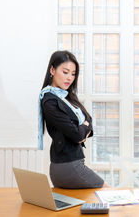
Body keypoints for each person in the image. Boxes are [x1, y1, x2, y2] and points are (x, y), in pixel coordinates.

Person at [38, 50, 108, 188]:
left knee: (80, 205)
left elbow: (89, 119)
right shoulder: (49, 100)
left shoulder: (67, 97)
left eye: (73, 74)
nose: (69, 78)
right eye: (65, 72)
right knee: (106, 191)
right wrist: (82, 130)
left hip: (71, 164)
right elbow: (77, 135)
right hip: (68, 166)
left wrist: (82, 129)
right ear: (52, 70)